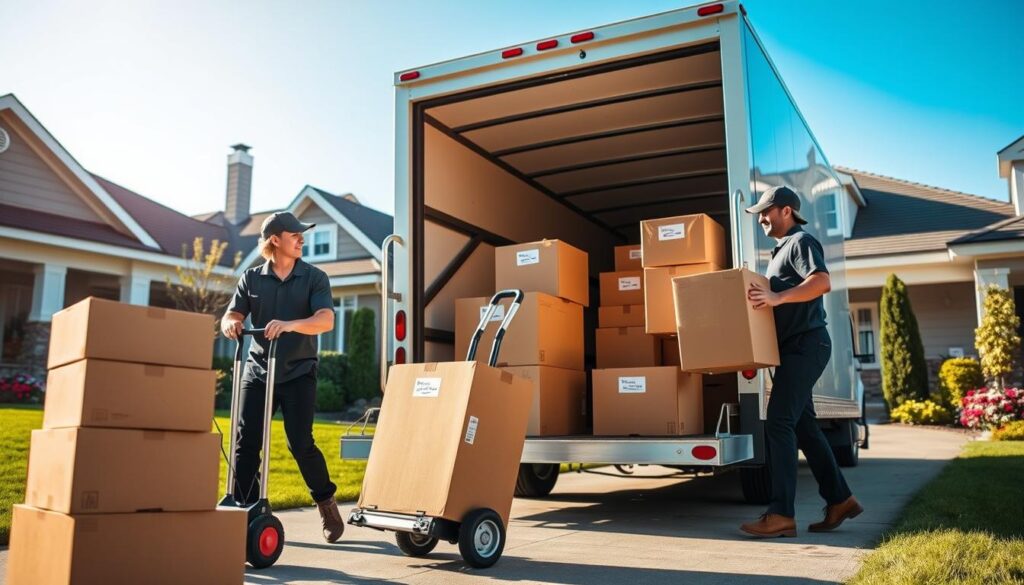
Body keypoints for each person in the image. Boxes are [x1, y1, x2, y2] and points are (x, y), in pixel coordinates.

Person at [740, 185, 863, 538]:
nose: (761, 218)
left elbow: (822, 282)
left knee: (778, 423)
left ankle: (780, 514)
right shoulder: (780, 251)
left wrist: (777, 297)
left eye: (767, 211)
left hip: (805, 347)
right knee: (804, 428)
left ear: (787, 211)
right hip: (792, 351)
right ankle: (840, 500)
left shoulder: (800, 242)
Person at [221, 211, 345, 543]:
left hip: (299, 371)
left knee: (300, 442)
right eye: (296, 235)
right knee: (245, 443)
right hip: (259, 369)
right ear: (276, 240)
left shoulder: (314, 277)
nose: (303, 239)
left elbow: (325, 320)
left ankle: (327, 505)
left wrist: (290, 324)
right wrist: (231, 323)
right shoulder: (251, 278)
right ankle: (247, 509)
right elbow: (232, 313)